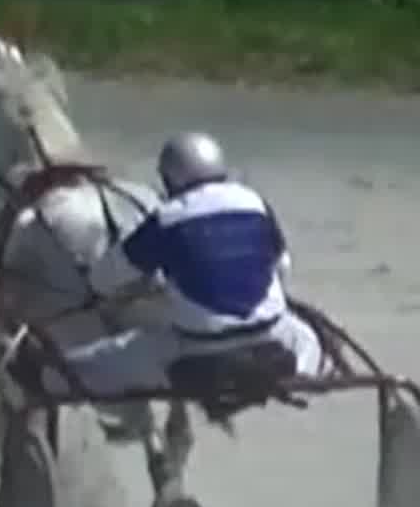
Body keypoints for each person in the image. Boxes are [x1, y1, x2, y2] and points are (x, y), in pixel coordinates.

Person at [34, 130, 325, 399]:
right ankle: (301, 378)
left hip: (197, 348)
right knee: (309, 337)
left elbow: (104, 280)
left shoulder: (166, 219)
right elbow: (283, 266)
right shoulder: (254, 201)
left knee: (94, 363)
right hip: (270, 334)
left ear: (170, 178)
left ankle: (37, 378)